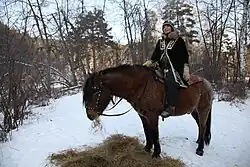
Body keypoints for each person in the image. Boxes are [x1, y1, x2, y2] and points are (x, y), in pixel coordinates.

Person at [143, 21, 190, 118]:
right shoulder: (161, 41)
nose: (166, 28)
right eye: (164, 27)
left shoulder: (178, 40)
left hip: (175, 68)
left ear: (172, 28)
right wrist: (150, 61)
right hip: (161, 67)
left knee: (170, 80)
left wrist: (186, 67)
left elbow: (184, 55)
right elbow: (156, 55)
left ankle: (171, 106)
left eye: (168, 26)